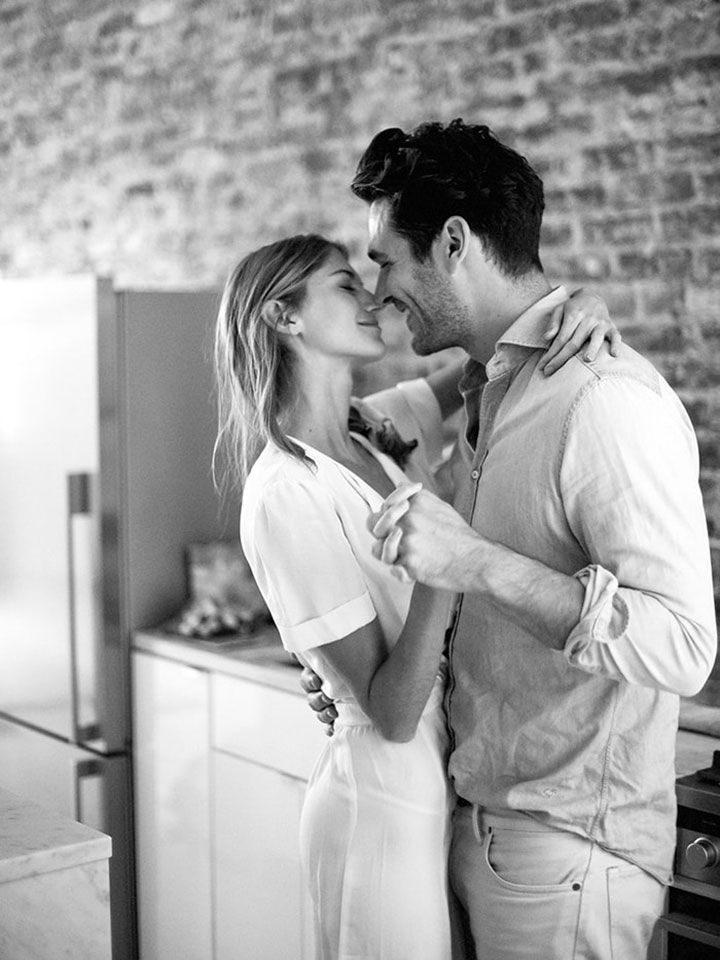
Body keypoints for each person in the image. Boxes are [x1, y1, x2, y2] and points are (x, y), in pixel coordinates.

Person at [352, 119, 718, 959]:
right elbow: (331, 421)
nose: (378, 293)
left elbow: (685, 645)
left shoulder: (602, 401)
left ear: (452, 243)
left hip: (568, 859)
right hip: (488, 830)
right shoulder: (492, 388)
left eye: (385, 262)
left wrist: (475, 563)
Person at [213, 230, 620, 959]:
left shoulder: (369, 434)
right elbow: (393, 709)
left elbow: (498, 358)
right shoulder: (283, 492)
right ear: (283, 317)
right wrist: (452, 548)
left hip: (447, 790)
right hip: (380, 807)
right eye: (345, 284)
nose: (372, 297)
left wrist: (574, 305)